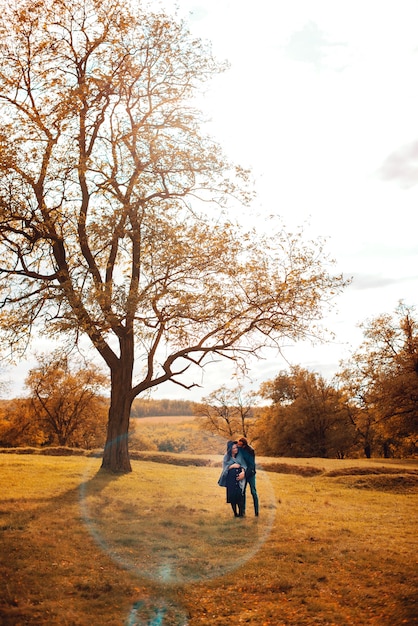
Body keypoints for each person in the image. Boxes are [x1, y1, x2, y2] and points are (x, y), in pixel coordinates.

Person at [218, 440, 246, 517]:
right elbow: (224, 469)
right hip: (230, 479)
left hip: (239, 477)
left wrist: (243, 472)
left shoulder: (239, 456)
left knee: (240, 496)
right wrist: (232, 466)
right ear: (230, 449)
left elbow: (243, 464)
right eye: (234, 448)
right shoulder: (226, 457)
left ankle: (241, 514)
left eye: (236, 448)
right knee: (232, 496)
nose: (236, 449)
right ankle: (235, 513)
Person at [237, 437, 259, 516]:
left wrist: (245, 474)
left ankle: (256, 512)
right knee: (243, 492)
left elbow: (251, 465)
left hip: (250, 473)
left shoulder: (250, 450)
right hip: (244, 473)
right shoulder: (239, 450)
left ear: (243, 445)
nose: (238, 446)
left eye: (240, 445)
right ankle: (243, 512)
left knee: (253, 492)